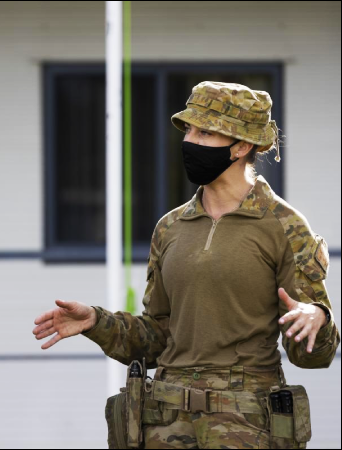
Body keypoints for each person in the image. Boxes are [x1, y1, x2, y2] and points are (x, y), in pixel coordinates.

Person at [33, 81, 340, 448]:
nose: (190, 141)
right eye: (189, 130)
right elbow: (158, 338)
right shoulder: (170, 227)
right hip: (165, 420)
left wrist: (318, 319)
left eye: (205, 132)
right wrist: (97, 322)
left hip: (246, 424)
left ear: (242, 146)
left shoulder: (285, 227)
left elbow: (314, 356)